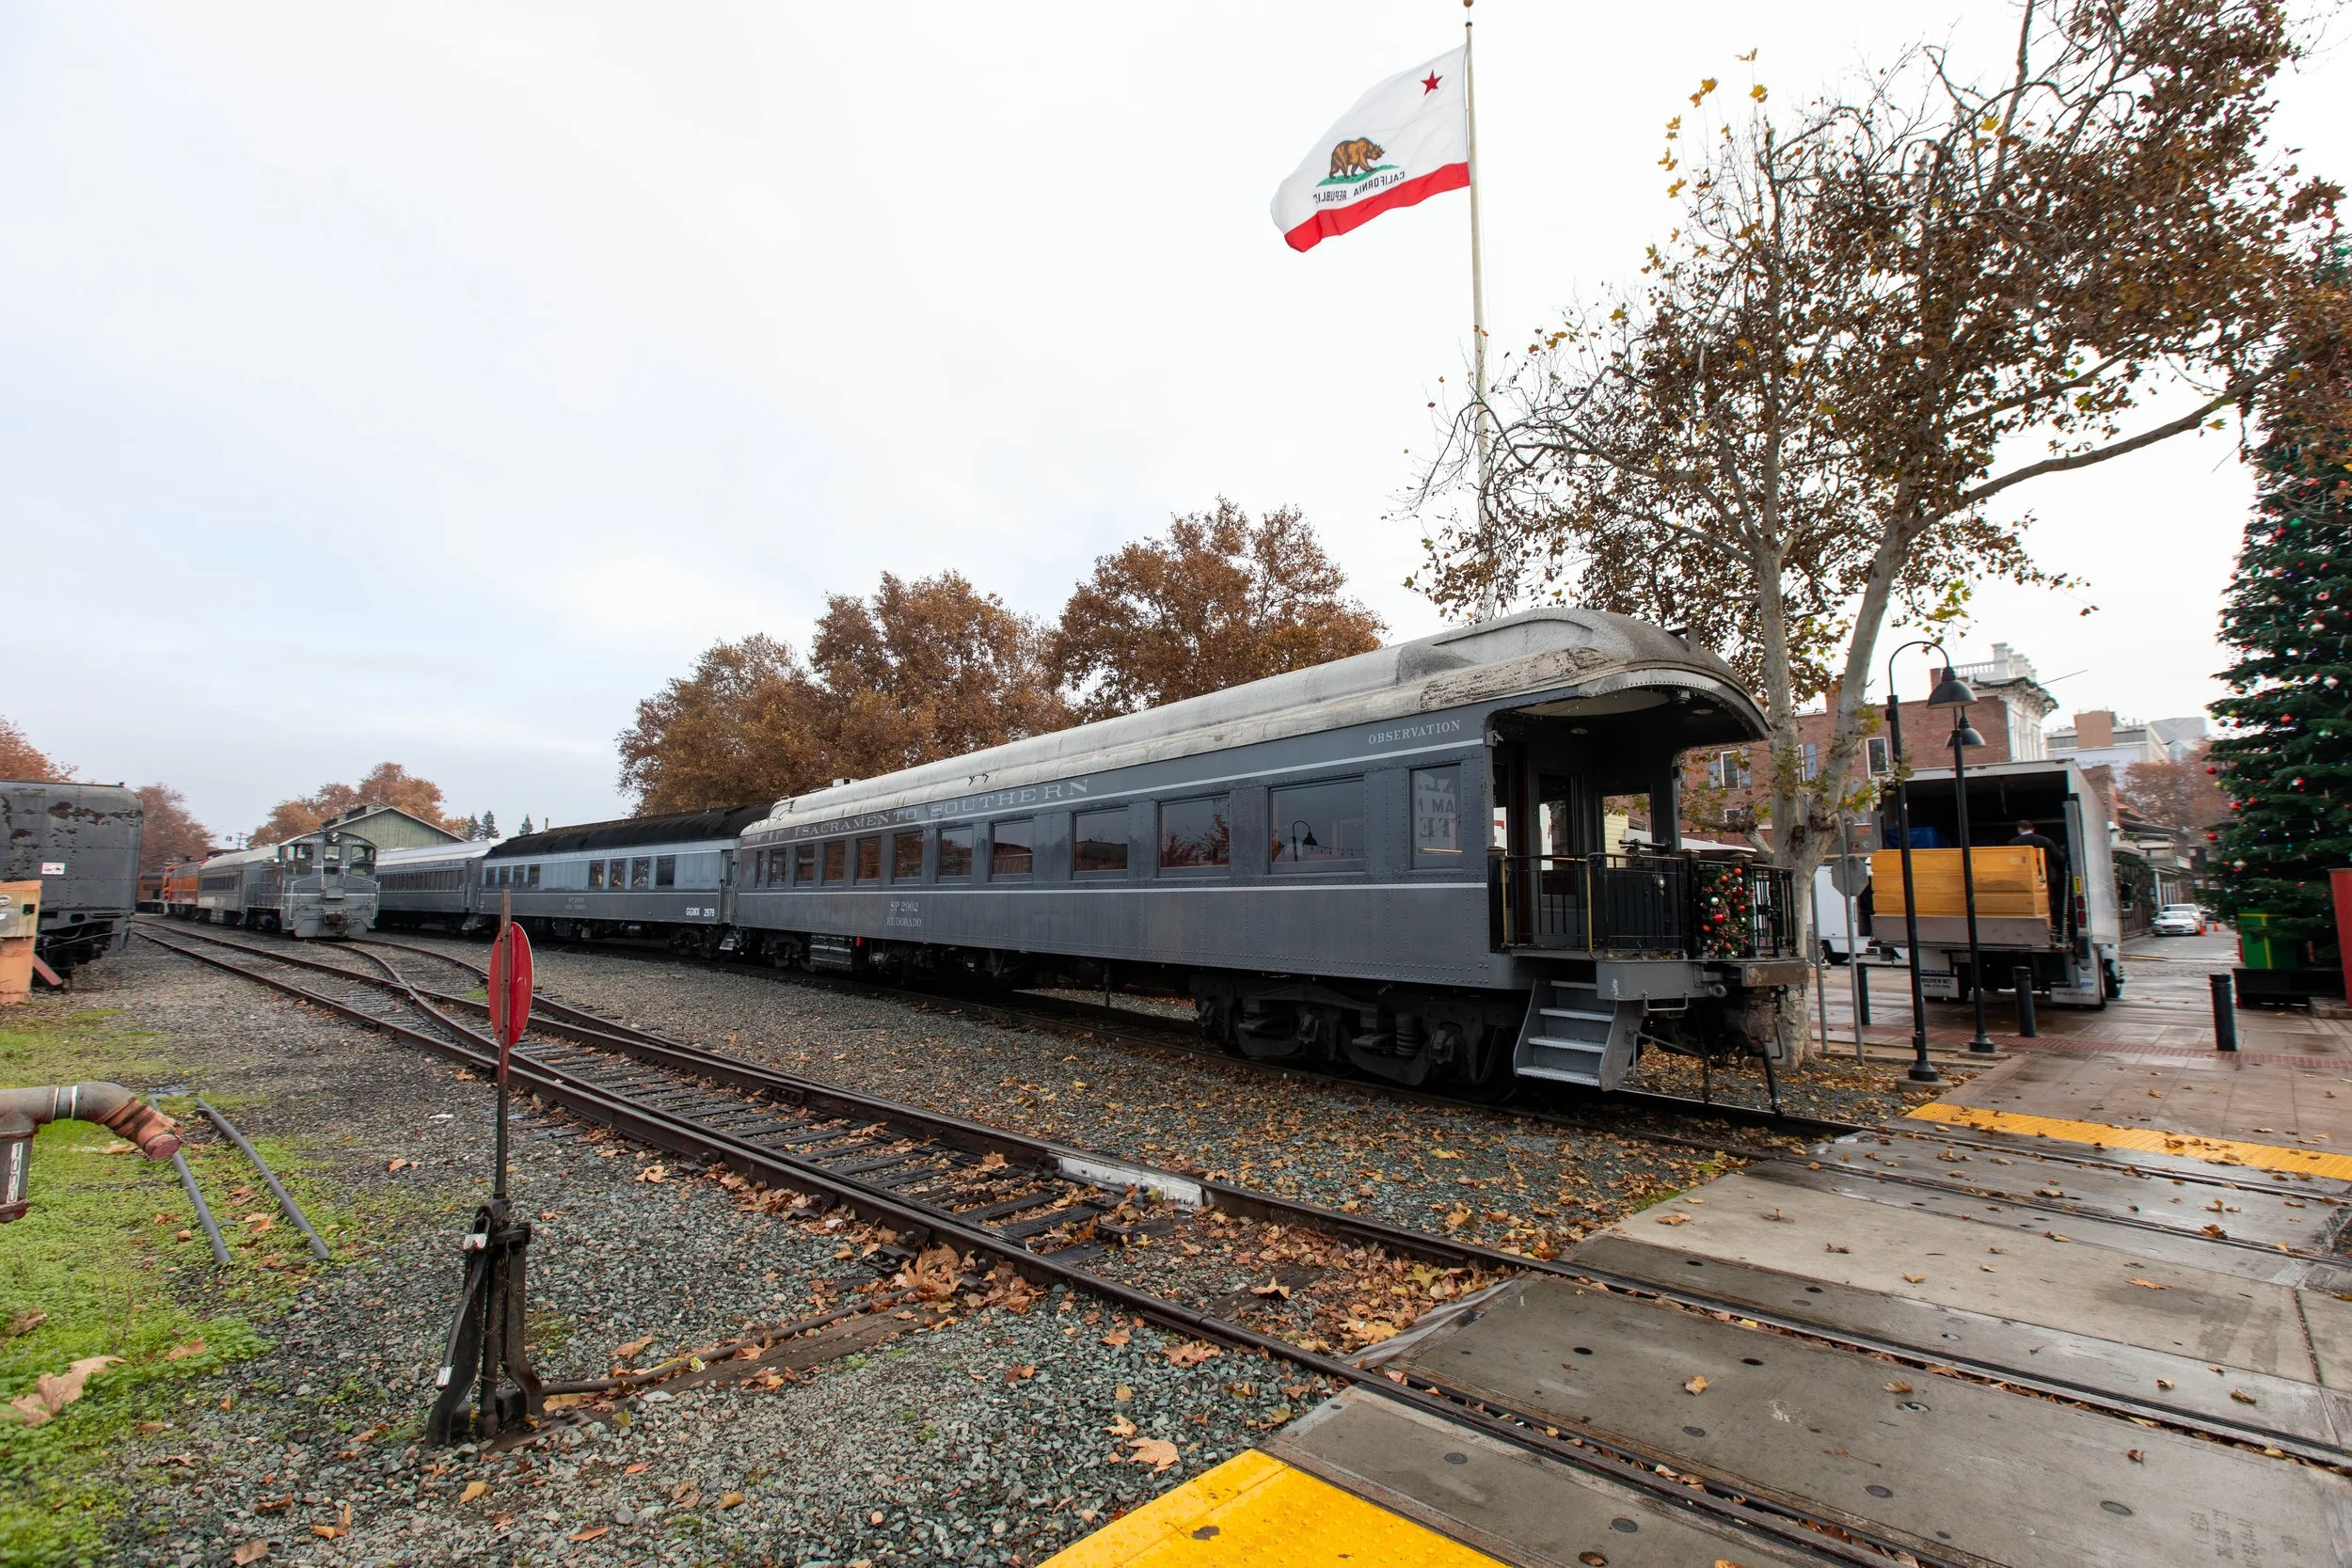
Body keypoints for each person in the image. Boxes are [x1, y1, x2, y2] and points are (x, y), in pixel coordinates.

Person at [2011, 819, 2067, 934]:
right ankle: (2048, 928)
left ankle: (2025, 929)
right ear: (2032, 829)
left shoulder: (2013, 843)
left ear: (2019, 829)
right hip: (2045, 878)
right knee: (2046, 904)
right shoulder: (2045, 841)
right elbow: (2058, 859)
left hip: (2023, 881)